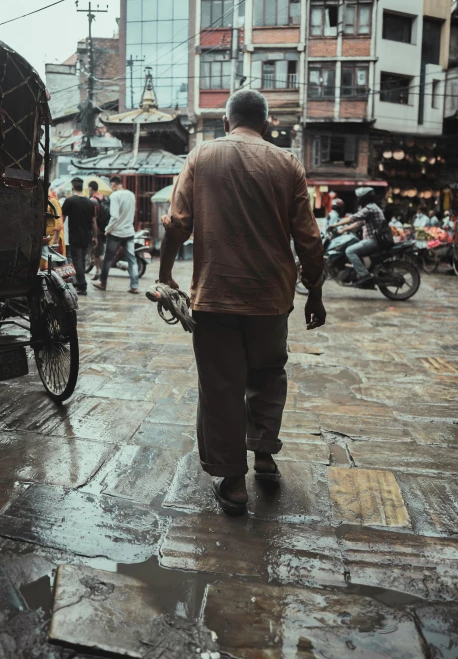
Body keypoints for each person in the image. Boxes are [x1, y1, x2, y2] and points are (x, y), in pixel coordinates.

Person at [158, 89, 325, 515]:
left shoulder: (202, 155)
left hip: (214, 296)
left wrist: (163, 276)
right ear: (266, 123)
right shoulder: (287, 163)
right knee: (268, 374)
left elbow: (177, 225)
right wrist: (316, 293)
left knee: (221, 385)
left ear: (226, 120)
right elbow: (308, 238)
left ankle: (233, 482)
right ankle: (264, 455)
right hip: (272, 297)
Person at [94, 176, 139, 294]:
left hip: (116, 233)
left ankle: (102, 282)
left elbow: (114, 216)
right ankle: (134, 286)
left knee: (108, 259)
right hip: (129, 232)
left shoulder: (115, 196)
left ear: (113, 185)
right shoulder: (131, 194)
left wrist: (107, 229)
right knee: (132, 260)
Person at [333, 187, 386, 287]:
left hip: (373, 241)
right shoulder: (372, 208)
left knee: (349, 251)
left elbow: (353, 218)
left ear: (365, 198)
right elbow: (359, 223)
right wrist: (344, 229)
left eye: (359, 197)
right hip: (373, 240)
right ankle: (358, 271)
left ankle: (364, 275)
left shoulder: (370, 208)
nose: (358, 199)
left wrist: (335, 225)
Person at [61, 179, 97, 296]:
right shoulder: (90, 202)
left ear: (72, 187)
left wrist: (59, 235)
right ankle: (80, 284)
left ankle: (82, 285)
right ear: (83, 187)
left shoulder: (69, 201)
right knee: (81, 260)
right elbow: (93, 221)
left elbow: (62, 219)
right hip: (86, 237)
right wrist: (95, 237)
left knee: (77, 262)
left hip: (74, 236)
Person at [88, 180, 106, 280]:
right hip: (103, 228)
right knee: (100, 251)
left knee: (96, 252)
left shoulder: (92, 200)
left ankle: (99, 271)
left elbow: (93, 218)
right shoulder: (103, 197)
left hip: (96, 229)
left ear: (90, 188)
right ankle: (98, 271)